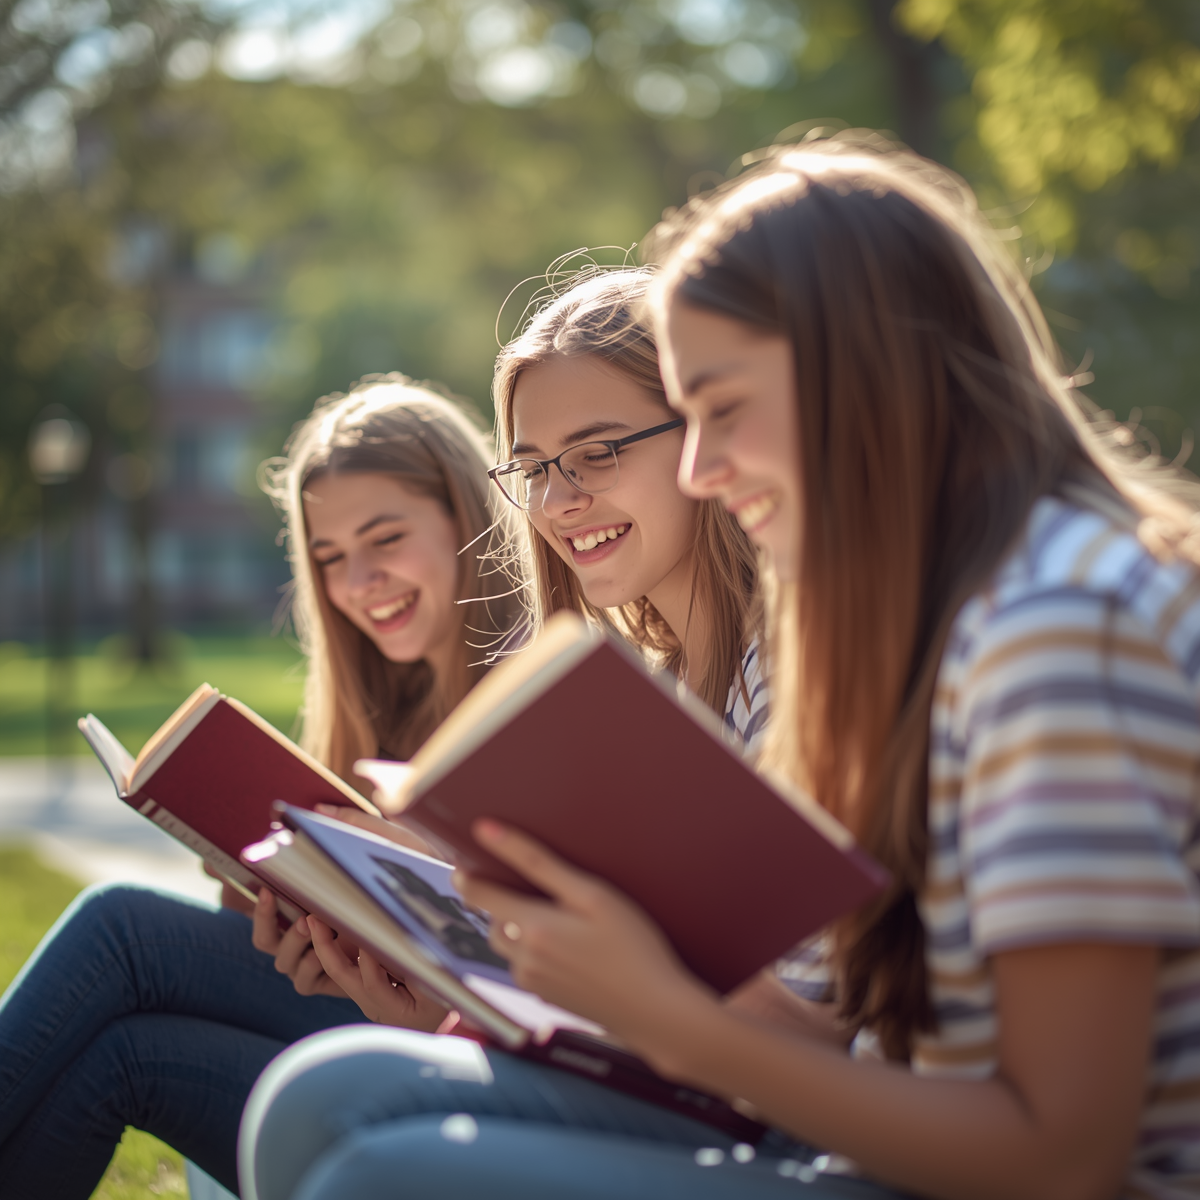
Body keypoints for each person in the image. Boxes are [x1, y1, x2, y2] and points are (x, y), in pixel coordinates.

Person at [240, 133, 1200, 1200]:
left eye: (722, 411)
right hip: (871, 1147)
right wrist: (564, 976)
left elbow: (1064, 1160)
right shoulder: (958, 607)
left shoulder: (1058, 623)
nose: (701, 468)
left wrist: (678, 1023)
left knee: (379, 1163)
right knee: (323, 1098)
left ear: (865, 371)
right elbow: (851, 1028)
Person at [0, 376, 524, 1200]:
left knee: (120, 931)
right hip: (365, 1022)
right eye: (330, 559)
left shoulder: (532, 693)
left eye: (385, 538)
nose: (361, 582)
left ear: (468, 518)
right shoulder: (378, 710)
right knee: (124, 1054)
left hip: (476, 1056)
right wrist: (269, 906)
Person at [294, 268, 769, 1021]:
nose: (556, 501)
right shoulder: (654, 699)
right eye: (534, 469)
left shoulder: (781, 684)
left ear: (704, 434)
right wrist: (437, 1013)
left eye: (597, 453)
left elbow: (766, 1018)